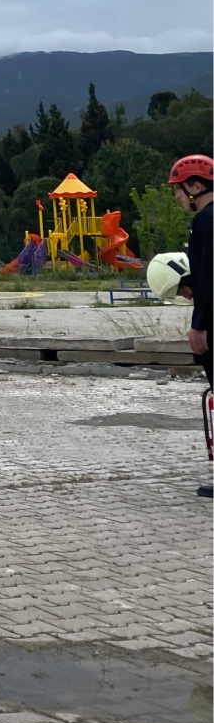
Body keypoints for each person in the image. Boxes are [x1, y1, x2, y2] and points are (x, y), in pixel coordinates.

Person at [168, 154, 214, 499]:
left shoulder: (206, 222)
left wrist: (199, 325)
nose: (178, 198)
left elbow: (211, 277)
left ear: (196, 186)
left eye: (180, 191)